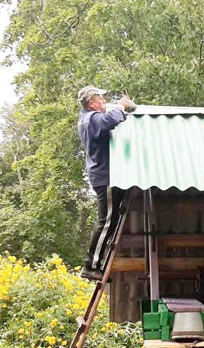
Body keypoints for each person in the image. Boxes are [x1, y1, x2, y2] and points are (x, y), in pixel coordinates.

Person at [77, 86, 137, 280]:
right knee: (106, 222)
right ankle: (91, 265)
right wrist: (121, 106)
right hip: (105, 178)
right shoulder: (91, 119)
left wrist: (122, 111)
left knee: (110, 221)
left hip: (104, 176)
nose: (104, 102)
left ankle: (97, 262)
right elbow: (107, 121)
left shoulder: (89, 119)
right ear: (91, 103)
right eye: (100, 99)